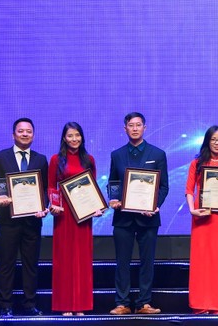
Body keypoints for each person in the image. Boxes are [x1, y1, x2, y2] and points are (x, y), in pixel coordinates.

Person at [108, 112, 169, 315]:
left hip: (148, 218)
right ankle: (122, 302)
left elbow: (164, 187)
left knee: (147, 262)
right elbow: (114, 183)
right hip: (123, 218)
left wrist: (155, 204)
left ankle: (144, 303)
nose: (135, 128)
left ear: (145, 127)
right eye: (131, 125)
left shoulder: (158, 154)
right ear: (125, 129)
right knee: (122, 262)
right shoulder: (116, 154)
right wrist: (114, 199)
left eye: (138, 125)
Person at [0, 117, 49, 317]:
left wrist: (44, 206)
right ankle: (5, 305)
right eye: (21, 131)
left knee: (31, 264)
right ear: (13, 134)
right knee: (6, 263)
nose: (25, 134)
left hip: (33, 220)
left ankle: (29, 304)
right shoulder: (1, 156)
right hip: (8, 219)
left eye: (29, 131)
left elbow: (45, 189)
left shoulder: (40, 159)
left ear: (33, 135)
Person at [48, 122, 103, 315]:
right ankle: (65, 305)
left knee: (82, 259)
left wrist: (97, 207)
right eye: (70, 136)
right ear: (64, 138)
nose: (74, 139)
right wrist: (53, 203)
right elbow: (51, 187)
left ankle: (80, 305)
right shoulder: (56, 159)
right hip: (63, 216)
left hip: (83, 215)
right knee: (64, 259)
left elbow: (93, 187)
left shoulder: (89, 159)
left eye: (77, 135)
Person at [185, 125, 218, 314]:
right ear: (208, 141)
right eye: (214, 139)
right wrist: (192, 210)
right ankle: (201, 304)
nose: (217, 143)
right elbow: (189, 190)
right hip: (202, 218)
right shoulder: (197, 164)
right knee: (202, 262)